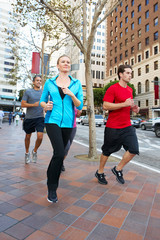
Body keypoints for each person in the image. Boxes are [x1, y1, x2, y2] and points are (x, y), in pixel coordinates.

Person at [40, 55, 83, 203]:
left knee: (60, 154)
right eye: (63, 62)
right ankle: (52, 188)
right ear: (58, 65)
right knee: (59, 152)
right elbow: (42, 100)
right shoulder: (49, 82)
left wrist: (71, 94)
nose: (66, 63)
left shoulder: (76, 83)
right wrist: (45, 106)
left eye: (68, 62)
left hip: (68, 124)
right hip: (52, 121)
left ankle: (50, 172)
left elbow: (80, 106)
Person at [95, 64, 139, 185]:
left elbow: (128, 105)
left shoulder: (130, 90)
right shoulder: (113, 88)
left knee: (134, 149)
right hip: (113, 127)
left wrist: (134, 108)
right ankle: (100, 172)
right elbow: (105, 106)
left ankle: (118, 168)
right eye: (128, 73)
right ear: (120, 74)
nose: (130, 75)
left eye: (131, 73)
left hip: (127, 126)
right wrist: (123, 104)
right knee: (107, 151)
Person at [21, 75, 44, 164]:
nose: (39, 82)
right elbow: (23, 104)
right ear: (33, 82)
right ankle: (27, 153)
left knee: (40, 136)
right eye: (37, 80)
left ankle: (34, 151)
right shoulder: (28, 92)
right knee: (27, 136)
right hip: (29, 118)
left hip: (40, 117)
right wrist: (33, 105)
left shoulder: (43, 93)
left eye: (40, 80)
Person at [62, 108, 82, 172]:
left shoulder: (76, 102)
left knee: (67, 147)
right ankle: (58, 162)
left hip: (73, 127)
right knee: (65, 146)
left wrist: (79, 111)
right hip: (62, 126)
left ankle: (61, 162)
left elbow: (78, 115)